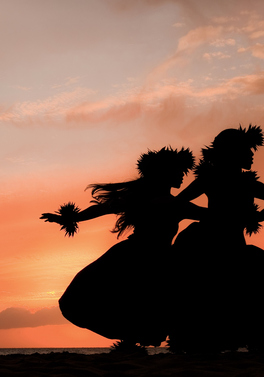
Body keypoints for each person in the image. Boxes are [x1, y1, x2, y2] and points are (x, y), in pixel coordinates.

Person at [41, 146, 206, 346]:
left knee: (118, 300)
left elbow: (100, 209)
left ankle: (131, 339)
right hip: (144, 257)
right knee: (132, 301)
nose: (182, 176)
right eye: (179, 172)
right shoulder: (172, 204)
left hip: (137, 256)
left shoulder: (148, 201)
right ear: (165, 173)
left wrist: (69, 218)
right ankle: (133, 337)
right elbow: (101, 209)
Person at [168, 125, 264, 352]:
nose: (252, 155)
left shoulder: (242, 182)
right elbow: (178, 203)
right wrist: (208, 214)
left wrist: (255, 216)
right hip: (209, 245)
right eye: (247, 151)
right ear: (233, 152)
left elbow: (178, 203)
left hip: (230, 244)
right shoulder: (212, 179)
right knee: (217, 293)